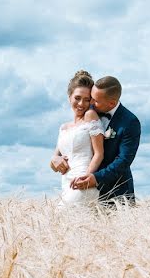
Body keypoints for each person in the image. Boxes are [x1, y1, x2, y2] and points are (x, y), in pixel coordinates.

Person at [51, 74, 141, 205]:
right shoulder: (87, 111)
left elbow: (123, 161)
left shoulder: (129, 122)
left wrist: (93, 178)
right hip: (70, 182)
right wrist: (55, 159)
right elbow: (58, 155)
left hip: (115, 194)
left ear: (112, 103)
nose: (90, 103)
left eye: (93, 100)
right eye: (91, 98)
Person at [50, 70, 104, 207]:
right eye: (77, 98)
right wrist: (54, 159)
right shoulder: (64, 127)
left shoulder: (91, 116)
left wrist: (87, 177)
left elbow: (99, 154)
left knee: (61, 219)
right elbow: (54, 160)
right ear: (69, 97)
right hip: (65, 184)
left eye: (87, 99)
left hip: (82, 181)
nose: (81, 104)